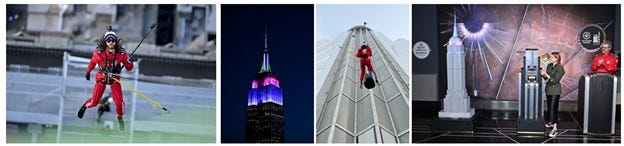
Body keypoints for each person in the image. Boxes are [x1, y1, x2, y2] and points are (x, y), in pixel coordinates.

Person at [78, 27, 135, 131]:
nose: (111, 42)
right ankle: (84, 106)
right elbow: (92, 62)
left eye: (113, 40)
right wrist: (88, 71)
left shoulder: (121, 54)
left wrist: (129, 62)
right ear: (105, 42)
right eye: (108, 40)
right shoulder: (99, 53)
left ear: (116, 41)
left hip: (114, 80)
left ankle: (120, 118)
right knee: (94, 102)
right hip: (102, 79)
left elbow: (129, 68)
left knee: (119, 103)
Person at [541, 52, 565, 138]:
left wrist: (546, 75)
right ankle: (551, 122)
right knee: (549, 107)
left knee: (553, 108)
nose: (549, 58)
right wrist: (543, 73)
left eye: (551, 57)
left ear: (556, 58)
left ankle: (555, 129)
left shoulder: (560, 68)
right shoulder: (549, 66)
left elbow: (555, 80)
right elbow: (546, 78)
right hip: (549, 90)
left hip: (555, 90)